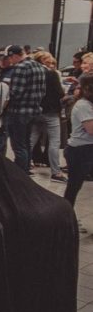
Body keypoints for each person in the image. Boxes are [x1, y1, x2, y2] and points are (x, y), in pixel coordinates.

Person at [2, 43, 46, 173]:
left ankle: (20, 173)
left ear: (14, 56)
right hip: (34, 111)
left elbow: (16, 93)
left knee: (19, 146)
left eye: (10, 58)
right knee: (26, 143)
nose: (9, 61)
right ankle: (26, 170)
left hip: (18, 112)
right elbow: (43, 91)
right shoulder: (39, 66)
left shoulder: (20, 68)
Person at [29, 51, 67, 182]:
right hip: (51, 111)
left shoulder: (33, 73)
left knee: (32, 139)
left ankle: (25, 164)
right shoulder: (52, 74)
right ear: (43, 62)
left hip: (36, 110)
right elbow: (60, 93)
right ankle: (56, 172)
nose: (51, 65)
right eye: (49, 62)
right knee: (54, 142)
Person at [64, 74, 93, 210]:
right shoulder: (83, 105)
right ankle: (66, 216)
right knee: (74, 185)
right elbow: (91, 129)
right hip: (80, 150)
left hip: (86, 148)